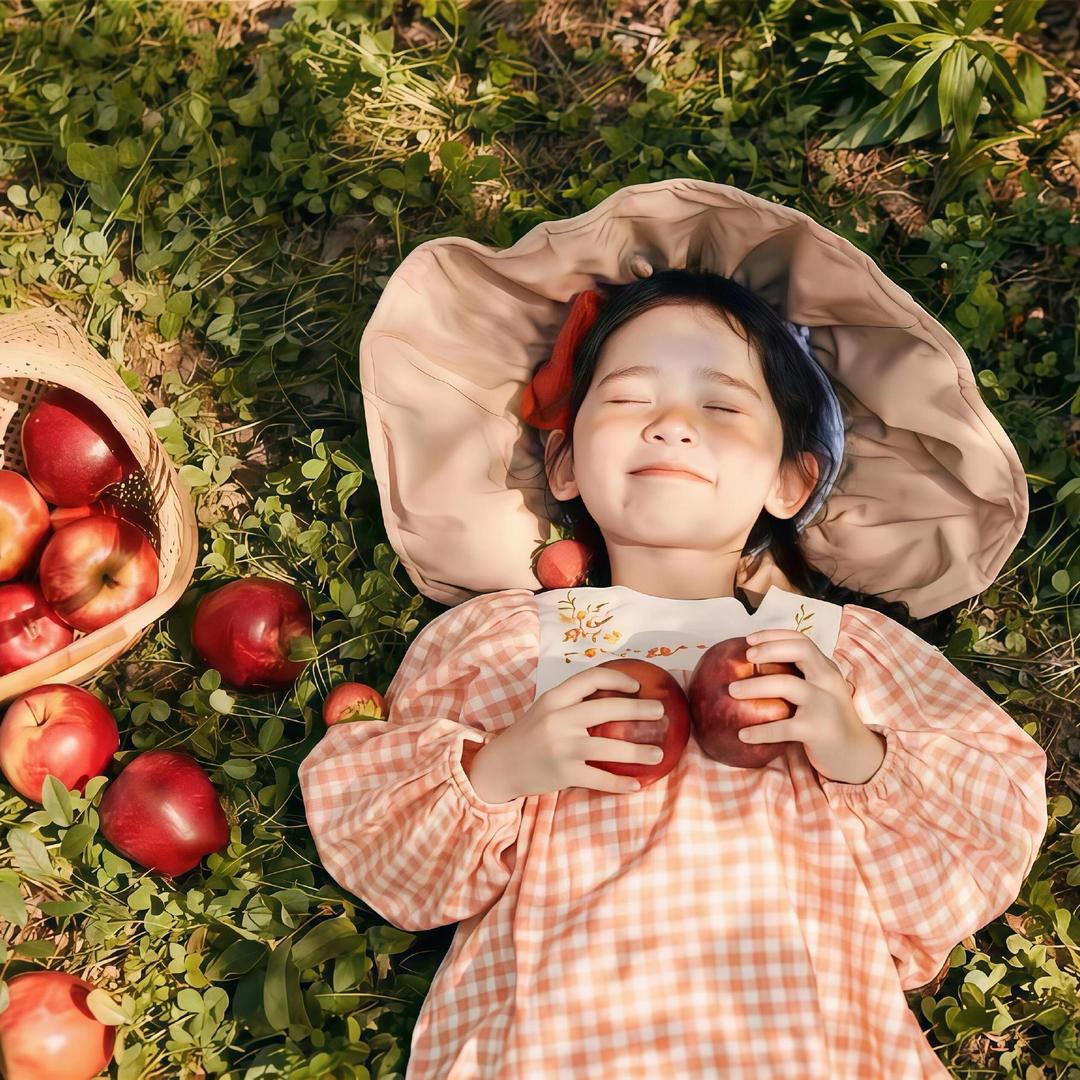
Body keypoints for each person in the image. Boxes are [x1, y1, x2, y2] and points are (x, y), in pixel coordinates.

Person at [298, 180, 1048, 1079]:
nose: (673, 424)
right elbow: (393, 858)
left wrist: (858, 749)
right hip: (552, 1049)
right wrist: (503, 767)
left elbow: (989, 824)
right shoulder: (506, 640)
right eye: (627, 398)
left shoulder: (833, 650)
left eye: (725, 407)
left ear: (790, 484)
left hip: (808, 1050)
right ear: (566, 463)